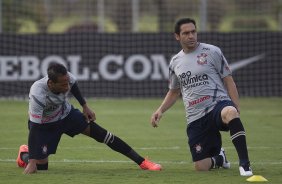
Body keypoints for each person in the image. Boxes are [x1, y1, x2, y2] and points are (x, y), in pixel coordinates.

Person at [150, 18, 253, 176]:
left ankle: (245, 165)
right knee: (201, 167)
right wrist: (160, 110)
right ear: (177, 36)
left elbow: (228, 80)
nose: (191, 36)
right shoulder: (175, 62)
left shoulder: (212, 51)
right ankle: (220, 158)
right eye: (186, 33)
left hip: (217, 105)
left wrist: (236, 106)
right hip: (195, 116)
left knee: (230, 112)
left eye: (193, 31)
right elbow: (174, 91)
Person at [17, 63, 162, 174]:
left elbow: (74, 87)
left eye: (67, 82)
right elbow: (35, 128)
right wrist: (31, 161)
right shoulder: (37, 93)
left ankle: (143, 162)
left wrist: (85, 106)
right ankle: (25, 153)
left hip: (67, 116)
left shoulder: (67, 78)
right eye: (63, 84)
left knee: (104, 135)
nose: (67, 86)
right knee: (41, 167)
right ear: (51, 83)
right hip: (44, 125)